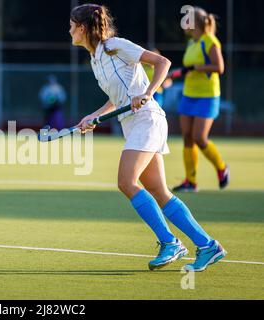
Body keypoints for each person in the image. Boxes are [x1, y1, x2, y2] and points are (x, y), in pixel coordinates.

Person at [70, 3, 226, 271]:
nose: (69, 30)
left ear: (83, 28)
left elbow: (162, 63)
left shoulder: (115, 45)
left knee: (125, 181)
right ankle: (208, 245)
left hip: (148, 120)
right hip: (131, 125)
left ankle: (169, 242)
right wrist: (92, 117)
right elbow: (115, 98)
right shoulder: (95, 58)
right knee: (159, 191)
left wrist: (149, 92)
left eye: (72, 25)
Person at [173, 7, 229, 192]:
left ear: (195, 23)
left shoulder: (210, 41)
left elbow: (219, 67)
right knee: (187, 137)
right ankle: (191, 181)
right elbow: (190, 67)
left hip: (207, 96)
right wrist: (183, 71)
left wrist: (197, 67)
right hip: (189, 94)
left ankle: (221, 167)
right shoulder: (192, 43)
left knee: (199, 138)